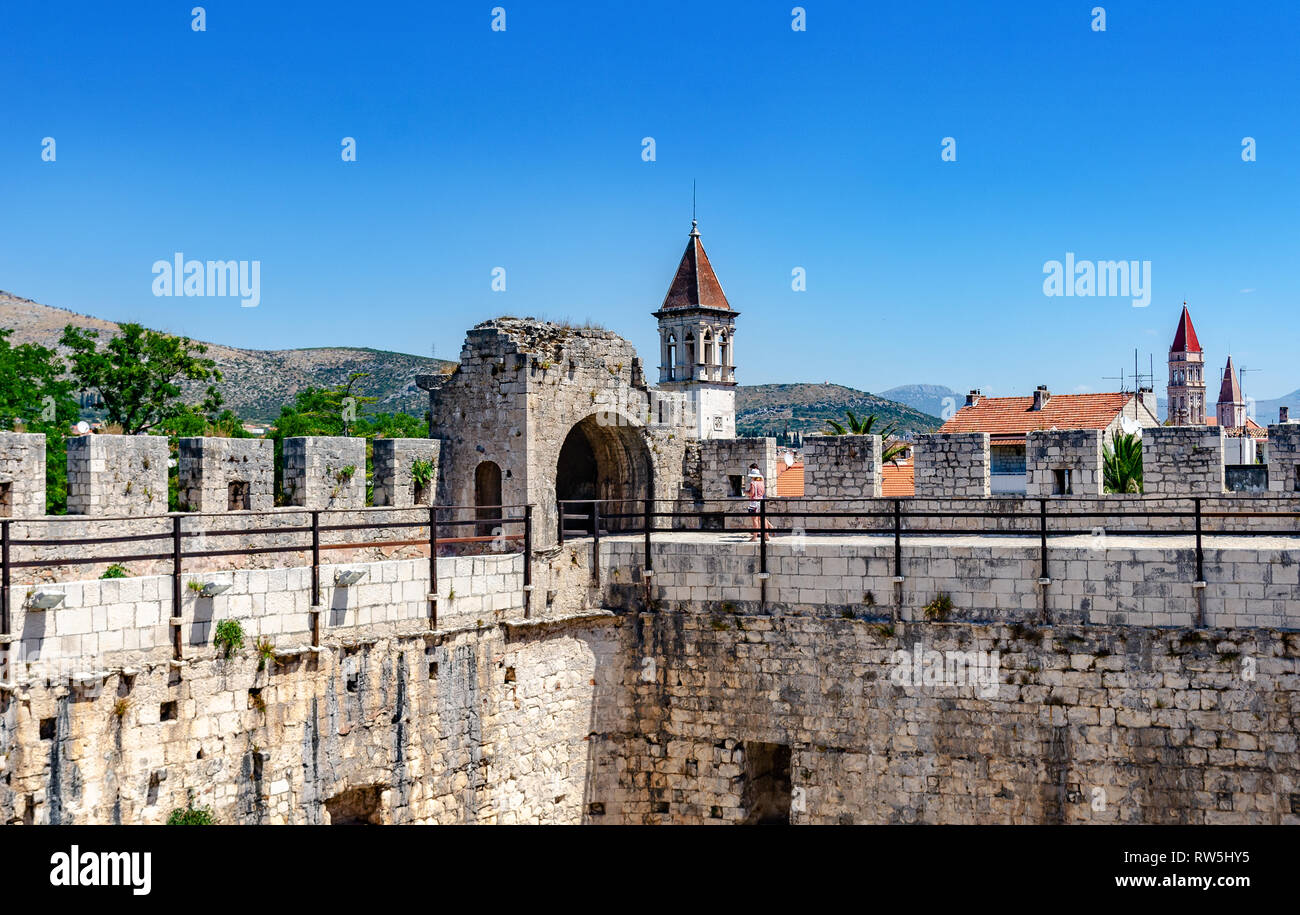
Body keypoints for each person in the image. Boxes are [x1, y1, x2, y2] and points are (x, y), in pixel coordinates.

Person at [746, 466, 771, 541]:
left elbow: (751, 493)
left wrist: (746, 492)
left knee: (755, 520)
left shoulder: (753, 483)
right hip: (761, 502)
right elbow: (763, 493)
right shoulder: (762, 483)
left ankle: (755, 537)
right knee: (763, 519)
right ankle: (766, 536)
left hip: (754, 503)